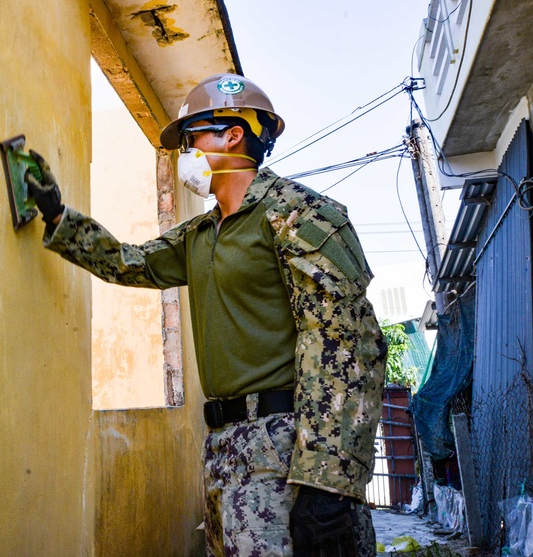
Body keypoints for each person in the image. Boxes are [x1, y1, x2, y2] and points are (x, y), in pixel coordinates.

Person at [25, 73, 387, 557]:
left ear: (233, 133)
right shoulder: (199, 235)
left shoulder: (299, 214)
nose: (185, 153)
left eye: (192, 138)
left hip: (287, 448)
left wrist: (327, 485)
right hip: (222, 449)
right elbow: (129, 261)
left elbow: (345, 345)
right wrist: (57, 217)